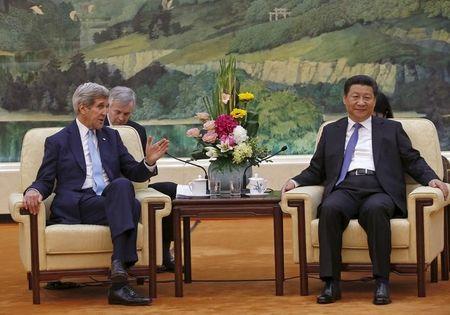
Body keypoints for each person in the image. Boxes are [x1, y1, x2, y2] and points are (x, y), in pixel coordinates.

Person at [282, 75, 448, 305]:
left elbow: (412, 160)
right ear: (345, 100)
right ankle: (331, 283)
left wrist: (432, 179)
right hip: (345, 187)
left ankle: (382, 282)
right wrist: (295, 181)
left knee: (376, 210)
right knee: (329, 208)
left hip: (379, 188)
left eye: (367, 97)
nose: (361, 102)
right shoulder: (332, 131)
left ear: (374, 100)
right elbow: (317, 169)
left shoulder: (391, 129)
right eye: (356, 97)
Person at [23, 82, 169, 306]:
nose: (105, 113)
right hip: (78, 203)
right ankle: (122, 270)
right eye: (101, 107)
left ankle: (118, 273)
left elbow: (134, 172)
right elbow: (45, 179)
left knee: (121, 185)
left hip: (107, 201)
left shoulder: (111, 137)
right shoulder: (58, 141)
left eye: (106, 106)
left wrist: (148, 162)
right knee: (131, 206)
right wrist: (33, 190)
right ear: (83, 108)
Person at [105, 86, 177, 272]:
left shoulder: (137, 130)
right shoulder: (95, 127)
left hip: (135, 185)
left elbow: (143, 173)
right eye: (117, 112)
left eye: (126, 114)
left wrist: (149, 161)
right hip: (109, 190)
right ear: (108, 106)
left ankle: (163, 252)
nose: (121, 118)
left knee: (170, 190)